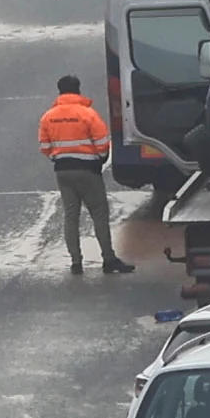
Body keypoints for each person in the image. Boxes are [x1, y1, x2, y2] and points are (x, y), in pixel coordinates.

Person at [40, 75, 128, 275]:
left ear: (59, 91)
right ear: (78, 90)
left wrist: (59, 157)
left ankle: (76, 262)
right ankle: (108, 259)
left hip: (62, 171)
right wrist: (99, 160)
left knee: (71, 216)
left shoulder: (48, 116)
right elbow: (103, 142)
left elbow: (45, 147)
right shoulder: (87, 114)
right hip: (87, 170)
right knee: (99, 213)